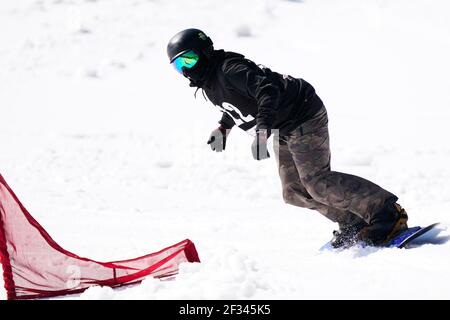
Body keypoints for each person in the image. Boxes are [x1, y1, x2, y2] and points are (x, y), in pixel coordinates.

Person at [166, 28, 408, 248]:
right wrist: (223, 127)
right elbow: (237, 104)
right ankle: (353, 222)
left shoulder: (231, 69)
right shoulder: (209, 84)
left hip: (302, 112)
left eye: (189, 59)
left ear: (205, 52)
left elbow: (266, 90)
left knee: (316, 180)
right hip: (282, 126)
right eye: (179, 66)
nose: (186, 69)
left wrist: (262, 129)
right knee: (293, 192)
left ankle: (386, 212)